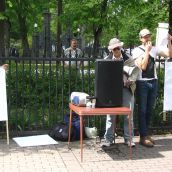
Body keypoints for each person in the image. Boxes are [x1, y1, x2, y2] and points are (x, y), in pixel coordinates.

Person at [132, 28, 172, 147]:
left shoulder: (154, 49)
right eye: (145, 36)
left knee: (150, 110)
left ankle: (146, 133)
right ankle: (143, 137)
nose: (147, 38)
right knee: (142, 110)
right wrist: (147, 51)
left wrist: (169, 42)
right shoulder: (136, 51)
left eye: (149, 36)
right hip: (142, 83)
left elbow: (169, 54)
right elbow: (143, 67)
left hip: (153, 82)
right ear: (140, 38)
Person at [103, 38, 139, 147]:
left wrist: (130, 80)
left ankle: (128, 139)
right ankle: (108, 139)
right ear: (111, 50)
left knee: (129, 114)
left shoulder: (129, 59)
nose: (117, 50)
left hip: (126, 89)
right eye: (114, 49)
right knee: (111, 115)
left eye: (118, 48)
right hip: (112, 91)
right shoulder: (106, 60)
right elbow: (103, 77)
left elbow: (135, 73)